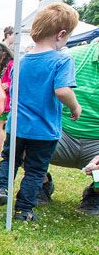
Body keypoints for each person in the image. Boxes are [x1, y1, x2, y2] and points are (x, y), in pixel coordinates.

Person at [0, 2, 81, 221]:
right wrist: (75, 107)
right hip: (43, 128)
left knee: (9, 161)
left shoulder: (21, 60)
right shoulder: (62, 60)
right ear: (61, 34)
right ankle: (24, 209)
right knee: (36, 169)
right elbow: (62, 90)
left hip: (17, 124)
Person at [39, 38, 99, 215]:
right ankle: (40, 183)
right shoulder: (69, 58)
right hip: (61, 135)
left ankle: (95, 193)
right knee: (22, 134)